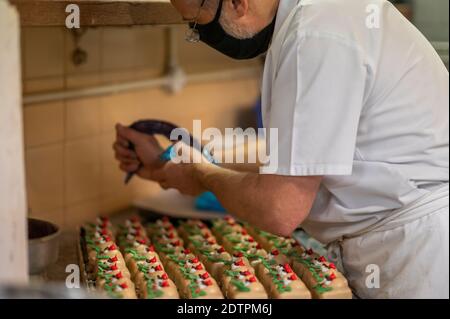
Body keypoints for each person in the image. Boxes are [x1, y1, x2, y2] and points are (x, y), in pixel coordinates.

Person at [113, 0, 449, 298]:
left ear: (237, 3)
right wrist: (187, 162)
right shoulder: (316, 19)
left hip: (416, 254)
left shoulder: (315, 34)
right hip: (397, 242)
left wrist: (201, 174)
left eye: (196, 21)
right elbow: (294, 164)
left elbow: (279, 209)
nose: (199, 33)